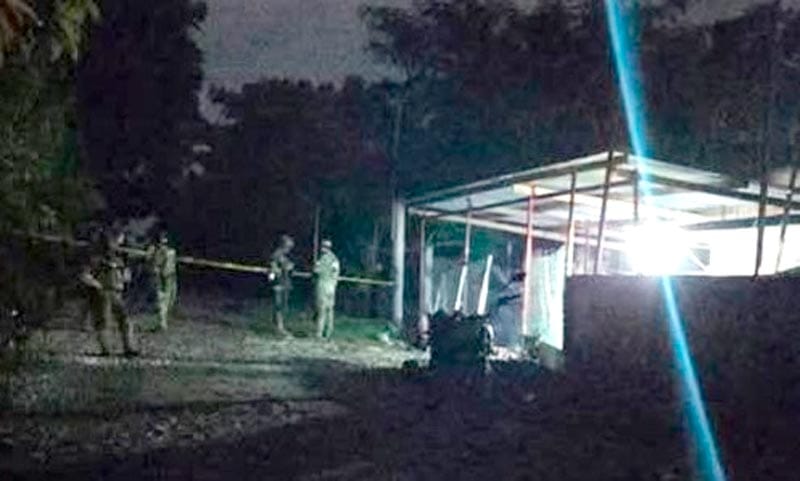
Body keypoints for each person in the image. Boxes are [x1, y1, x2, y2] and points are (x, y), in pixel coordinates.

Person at [79, 231, 138, 356]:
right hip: (103, 293)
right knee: (103, 322)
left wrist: (124, 277)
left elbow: (126, 275)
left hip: (116, 293)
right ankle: (106, 349)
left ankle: (129, 347)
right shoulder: (96, 260)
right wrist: (97, 285)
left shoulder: (118, 259)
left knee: (125, 320)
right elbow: (85, 275)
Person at [147, 231, 178, 330]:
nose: (164, 244)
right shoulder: (158, 251)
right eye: (162, 242)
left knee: (170, 299)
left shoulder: (171, 251)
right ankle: (162, 322)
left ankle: (163, 319)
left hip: (171, 275)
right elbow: (155, 263)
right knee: (162, 299)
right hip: (162, 276)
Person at [267, 234, 294, 337]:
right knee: (279, 306)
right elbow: (273, 270)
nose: (289, 249)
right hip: (279, 284)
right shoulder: (276, 255)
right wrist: (274, 281)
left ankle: (279, 326)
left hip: (284, 283)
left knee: (282, 306)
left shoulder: (283, 256)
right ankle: (279, 328)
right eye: (288, 247)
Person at [313, 239, 340, 339]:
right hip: (332, 286)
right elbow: (335, 272)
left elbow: (316, 271)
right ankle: (328, 332)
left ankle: (319, 333)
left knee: (322, 310)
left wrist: (315, 266)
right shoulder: (334, 259)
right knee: (330, 310)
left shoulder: (322, 259)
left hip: (323, 285)